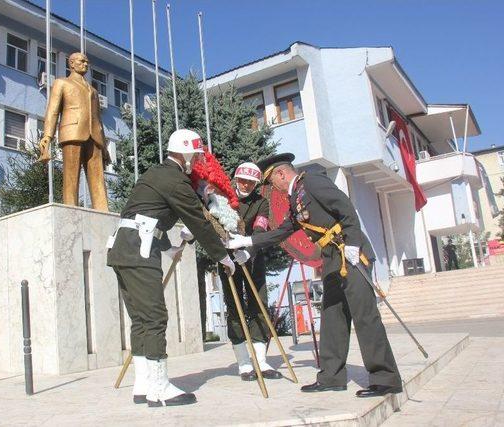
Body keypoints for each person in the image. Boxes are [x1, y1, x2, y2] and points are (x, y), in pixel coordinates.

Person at [226, 153, 402, 398]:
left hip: (349, 254)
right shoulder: (296, 198)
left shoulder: (312, 182)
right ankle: (331, 377)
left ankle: (386, 379)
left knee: (365, 317)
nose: (270, 188)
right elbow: (284, 231)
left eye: (270, 182)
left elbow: (345, 207)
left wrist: (352, 242)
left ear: (280, 174)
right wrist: (248, 240)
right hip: (332, 260)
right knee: (332, 319)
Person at [107, 129, 235, 407]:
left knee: (141, 319)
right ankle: (159, 388)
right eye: (196, 154)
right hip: (139, 252)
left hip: (124, 248)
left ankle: (143, 385)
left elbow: (145, 213)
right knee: (154, 317)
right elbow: (199, 222)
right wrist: (223, 256)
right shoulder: (176, 180)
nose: (198, 161)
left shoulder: (156, 173)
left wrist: (168, 248)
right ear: (186, 153)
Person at [218, 162, 282, 381]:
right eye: (242, 180)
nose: (245, 185)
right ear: (236, 179)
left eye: (251, 183)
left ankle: (262, 361)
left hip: (252, 258)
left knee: (259, 305)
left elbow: (260, 230)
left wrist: (249, 251)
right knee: (235, 307)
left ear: (256, 184)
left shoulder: (260, 202)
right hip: (228, 259)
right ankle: (244, 363)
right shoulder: (222, 197)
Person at [38, 52, 109, 211]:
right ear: (71, 64)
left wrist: (104, 146)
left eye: (87, 62)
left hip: (95, 136)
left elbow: (99, 119)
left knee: (98, 178)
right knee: (71, 176)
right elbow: (52, 111)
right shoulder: (61, 83)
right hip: (72, 133)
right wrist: (47, 136)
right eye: (82, 61)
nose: (85, 64)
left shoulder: (93, 91)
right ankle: (70, 210)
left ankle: (103, 212)